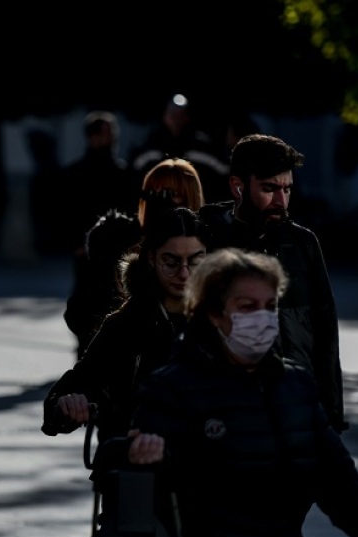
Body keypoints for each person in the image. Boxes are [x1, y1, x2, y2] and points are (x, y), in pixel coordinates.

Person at [128, 248, 358, 537]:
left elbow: (332, 470)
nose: (262, 318)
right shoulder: (172, 387)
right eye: (247, 307)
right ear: (214, 313)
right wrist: (144, 462)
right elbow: (146, 486)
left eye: (270, 306)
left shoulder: (296, 384)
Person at [37, 206, 206, 537]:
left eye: (195, 261)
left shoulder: (223, 322)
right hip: (137, 492)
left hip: (210, 491)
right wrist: (68, 405)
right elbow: (64, 394)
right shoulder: (127, 323)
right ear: (150, 259)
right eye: (171, 261)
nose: (184, 273)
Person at [198, 133, 346, 432]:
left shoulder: (303, 244)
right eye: (269, 188)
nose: (281, 200)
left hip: (298, 407)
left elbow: (326, 334)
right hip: (229, 412)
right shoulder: (207, 239)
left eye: (287, 189)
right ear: (238, 186)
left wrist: (331, 414)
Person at [65, 157, 205, 359]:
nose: (161, 201)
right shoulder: (116, 240)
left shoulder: (208, 243)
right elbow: (81, 311)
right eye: (153, 193)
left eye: (172, 194)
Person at [53, 110, 141, 256]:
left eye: (112, 133)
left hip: (118, 249)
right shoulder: (75, 174)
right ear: (92, 136)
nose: (112, 137)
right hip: (86, 250)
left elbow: (134, 209)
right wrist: (76, 244)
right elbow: (66, 211)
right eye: (106, 133)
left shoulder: (125, 173)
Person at [130, 93, 230, 204]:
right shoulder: (150, 144)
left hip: (196, 210)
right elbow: (134, 179)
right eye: (172, 114)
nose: (176, 119)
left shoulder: (202, 146)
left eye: (180, 114)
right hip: (158, 210)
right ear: (164, 116)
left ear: (187, 117)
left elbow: (223, 175)